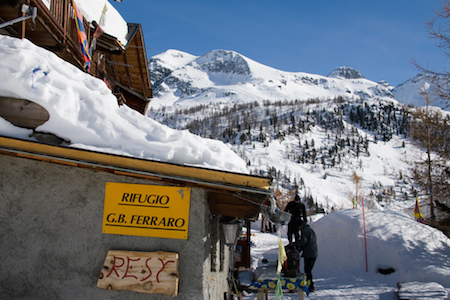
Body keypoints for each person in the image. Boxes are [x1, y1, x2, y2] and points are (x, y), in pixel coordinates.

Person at [295, 220, 318, 292]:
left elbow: (303, 241)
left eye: (298, 227)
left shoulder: (304, 230)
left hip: (309, 253)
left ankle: (310, 286)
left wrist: (295, 244)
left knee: (307, 270)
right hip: (314, 252)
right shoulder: (310, 229)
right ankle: (309, 285)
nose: (298, 228)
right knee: (308, 270)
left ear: (301, 225)